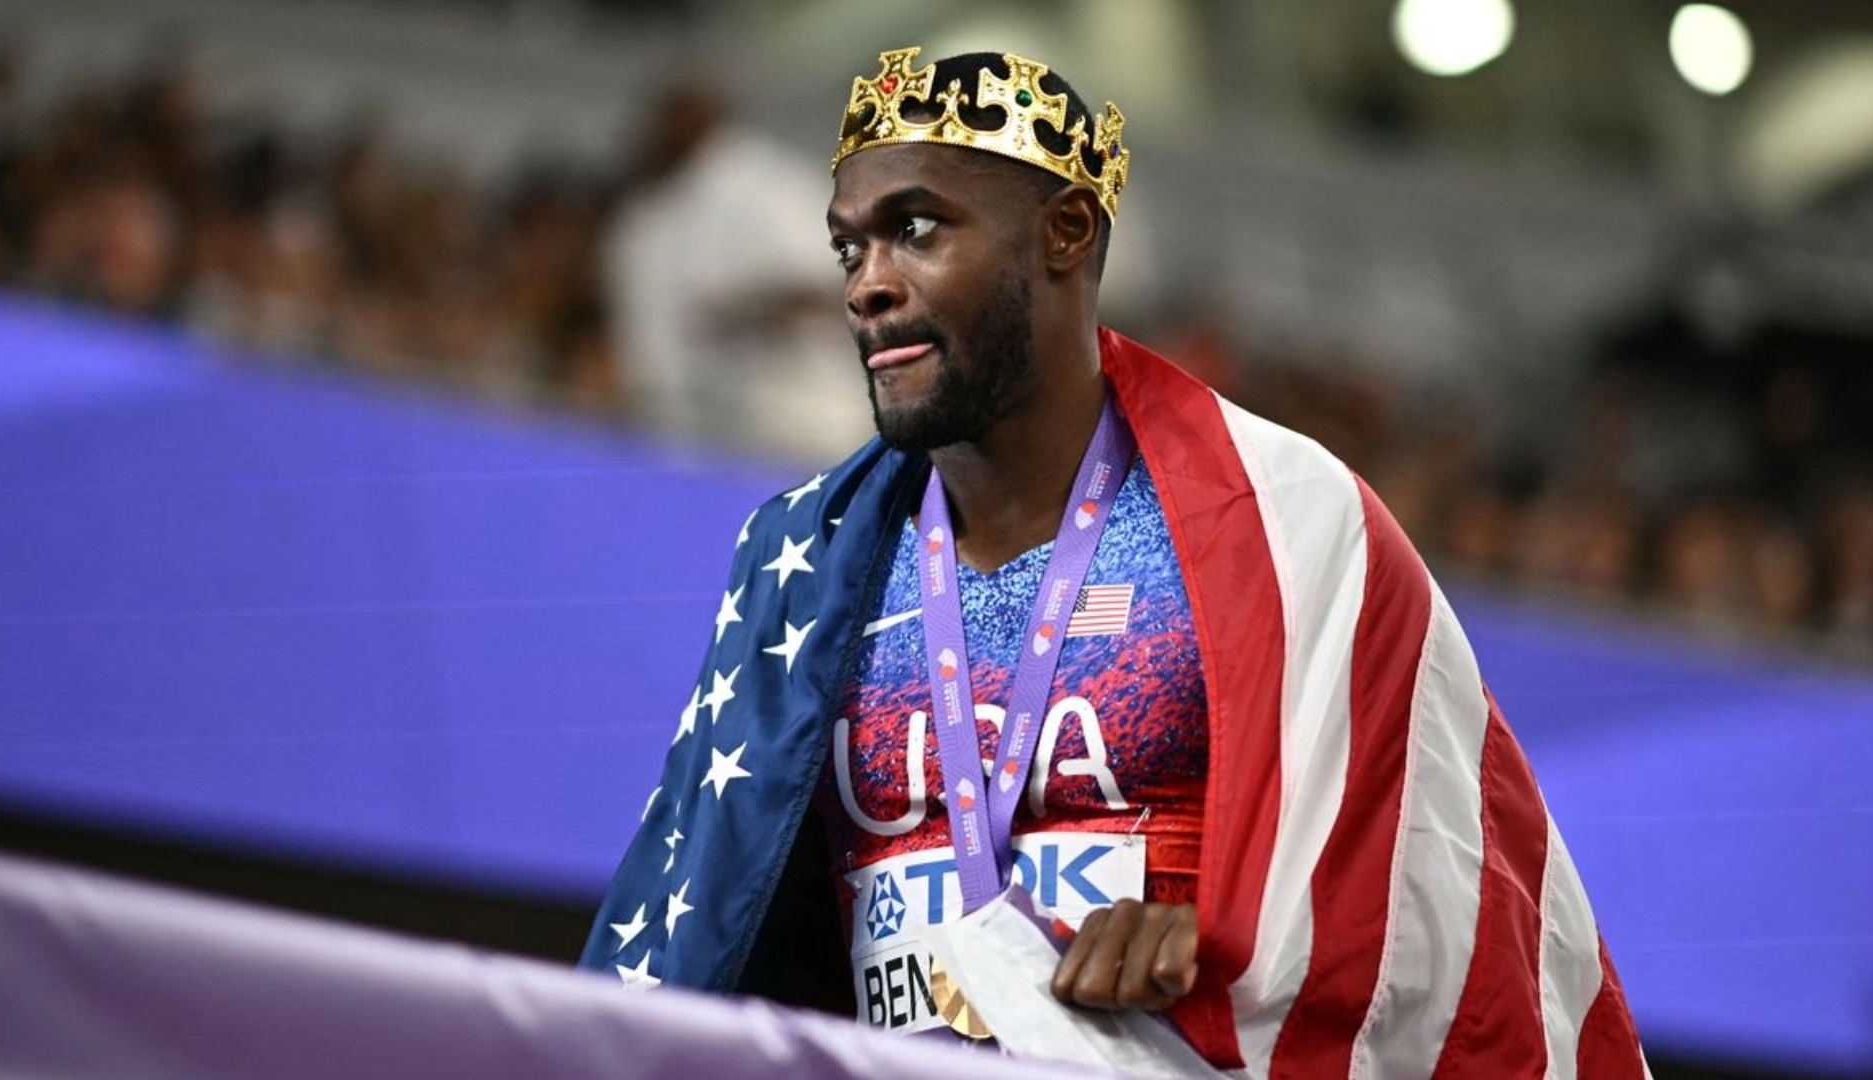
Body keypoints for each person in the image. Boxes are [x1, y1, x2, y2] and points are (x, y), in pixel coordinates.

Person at [583, 47, 1646, 1077]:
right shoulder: (803, 564)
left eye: (915, 229)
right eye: (848, 250)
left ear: (1066, 230)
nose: (868, 286)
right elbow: (713, 923)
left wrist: (1224, 941)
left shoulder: (1280, 520)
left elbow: (1418, 887)